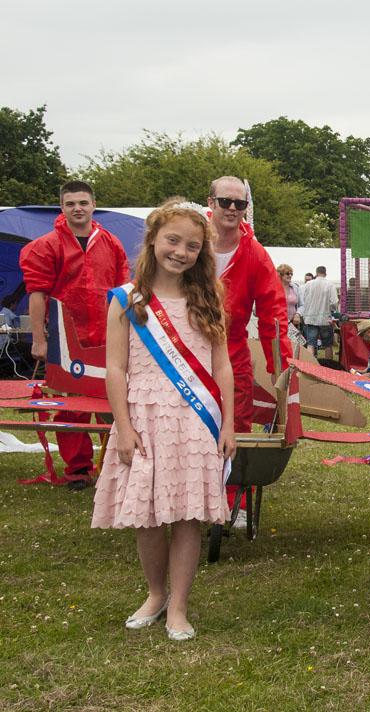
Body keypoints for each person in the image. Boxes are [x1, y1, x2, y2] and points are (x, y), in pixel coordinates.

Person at [91, 199, 236, 642]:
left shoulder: (209, 299)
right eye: (173, 240)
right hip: (143, 416)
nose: (181, 251)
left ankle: (179, 607)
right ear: (153, 239)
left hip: (194, 422)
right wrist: (124, 426)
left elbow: (222, 365)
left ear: (201, 253)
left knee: (189, 515)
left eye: (192, 246)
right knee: (149, 517)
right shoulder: (127, 300)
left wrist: (228, 422)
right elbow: (115, 368)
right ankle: (155, 594)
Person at [19, 180, 129, 490]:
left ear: (94, 205)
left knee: (114, 401)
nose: (77, 208)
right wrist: (40, 340)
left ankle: (115, 463)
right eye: (70, 204)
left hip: (108, 337)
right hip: (66, 341)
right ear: (63, 208)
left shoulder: (112, 243)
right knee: (70, 406)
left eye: (83, 202)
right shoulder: (45, 246)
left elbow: (124, 292)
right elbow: (37, 294)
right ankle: (78, 469)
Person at [207, 176, 292, 433]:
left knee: (236, 422)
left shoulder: (256, 254)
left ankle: (236, 473)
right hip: (186, 348)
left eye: (239, 203)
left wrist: (281, 367)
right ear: (211, 203)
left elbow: (273, 316)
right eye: (225, 202)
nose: (232, 208)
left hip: (233, 350)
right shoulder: (190, 243)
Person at [300, 265, 338, 357]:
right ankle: (328, 367)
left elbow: (302, 300)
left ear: (316, 273)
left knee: (310, 344)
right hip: (325, 319)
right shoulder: (330, 285)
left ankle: (310, 367)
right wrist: (331, 310)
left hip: (310, 318)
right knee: (328, 345)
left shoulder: (307, 285)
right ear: (325, 274)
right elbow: (334, 302)